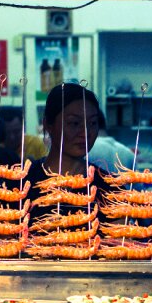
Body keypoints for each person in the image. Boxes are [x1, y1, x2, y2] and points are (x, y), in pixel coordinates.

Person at [26, 83, 111, 219]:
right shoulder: (22, 184)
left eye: (93, 123)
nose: (85, 133)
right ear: (48, 124)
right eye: (74, 123)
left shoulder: (109, 189)